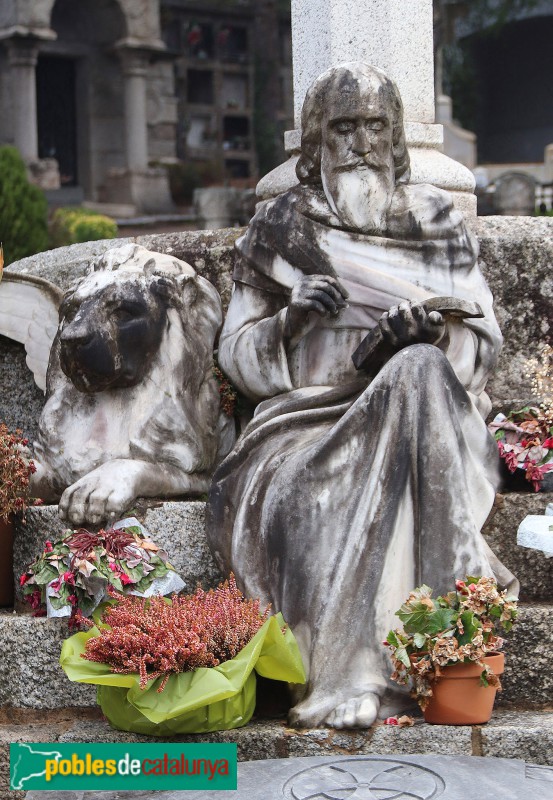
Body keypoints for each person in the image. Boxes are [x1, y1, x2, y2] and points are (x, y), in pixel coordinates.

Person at [206, 62, 517, 729]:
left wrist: (430, 336)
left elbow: (481, 341)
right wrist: (290, 320)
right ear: (316, 138)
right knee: (305, 497)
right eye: (343, 127)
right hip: (307, 420)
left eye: (375, 127)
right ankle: (350, 671)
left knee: (416, 370)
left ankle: (440, 650)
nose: (360, 144)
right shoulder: (280, 226)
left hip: (421, 415)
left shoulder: (432, 217)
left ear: (395, 135)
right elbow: (236, 352)